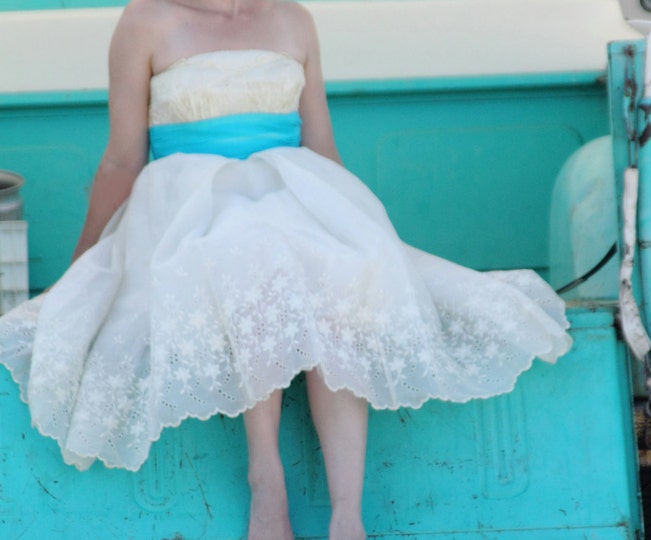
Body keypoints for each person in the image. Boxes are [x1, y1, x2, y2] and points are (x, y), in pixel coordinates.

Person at [0, 1, 573, 539]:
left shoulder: (293, 19)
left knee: (346, 272)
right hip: (188, 209)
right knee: (253, 259)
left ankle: (348, 514)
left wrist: (365, 234)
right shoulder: (145, 19)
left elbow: (320, 144)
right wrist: (83, 261)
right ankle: (265, 479)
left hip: (292, 186)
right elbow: (123, 157)